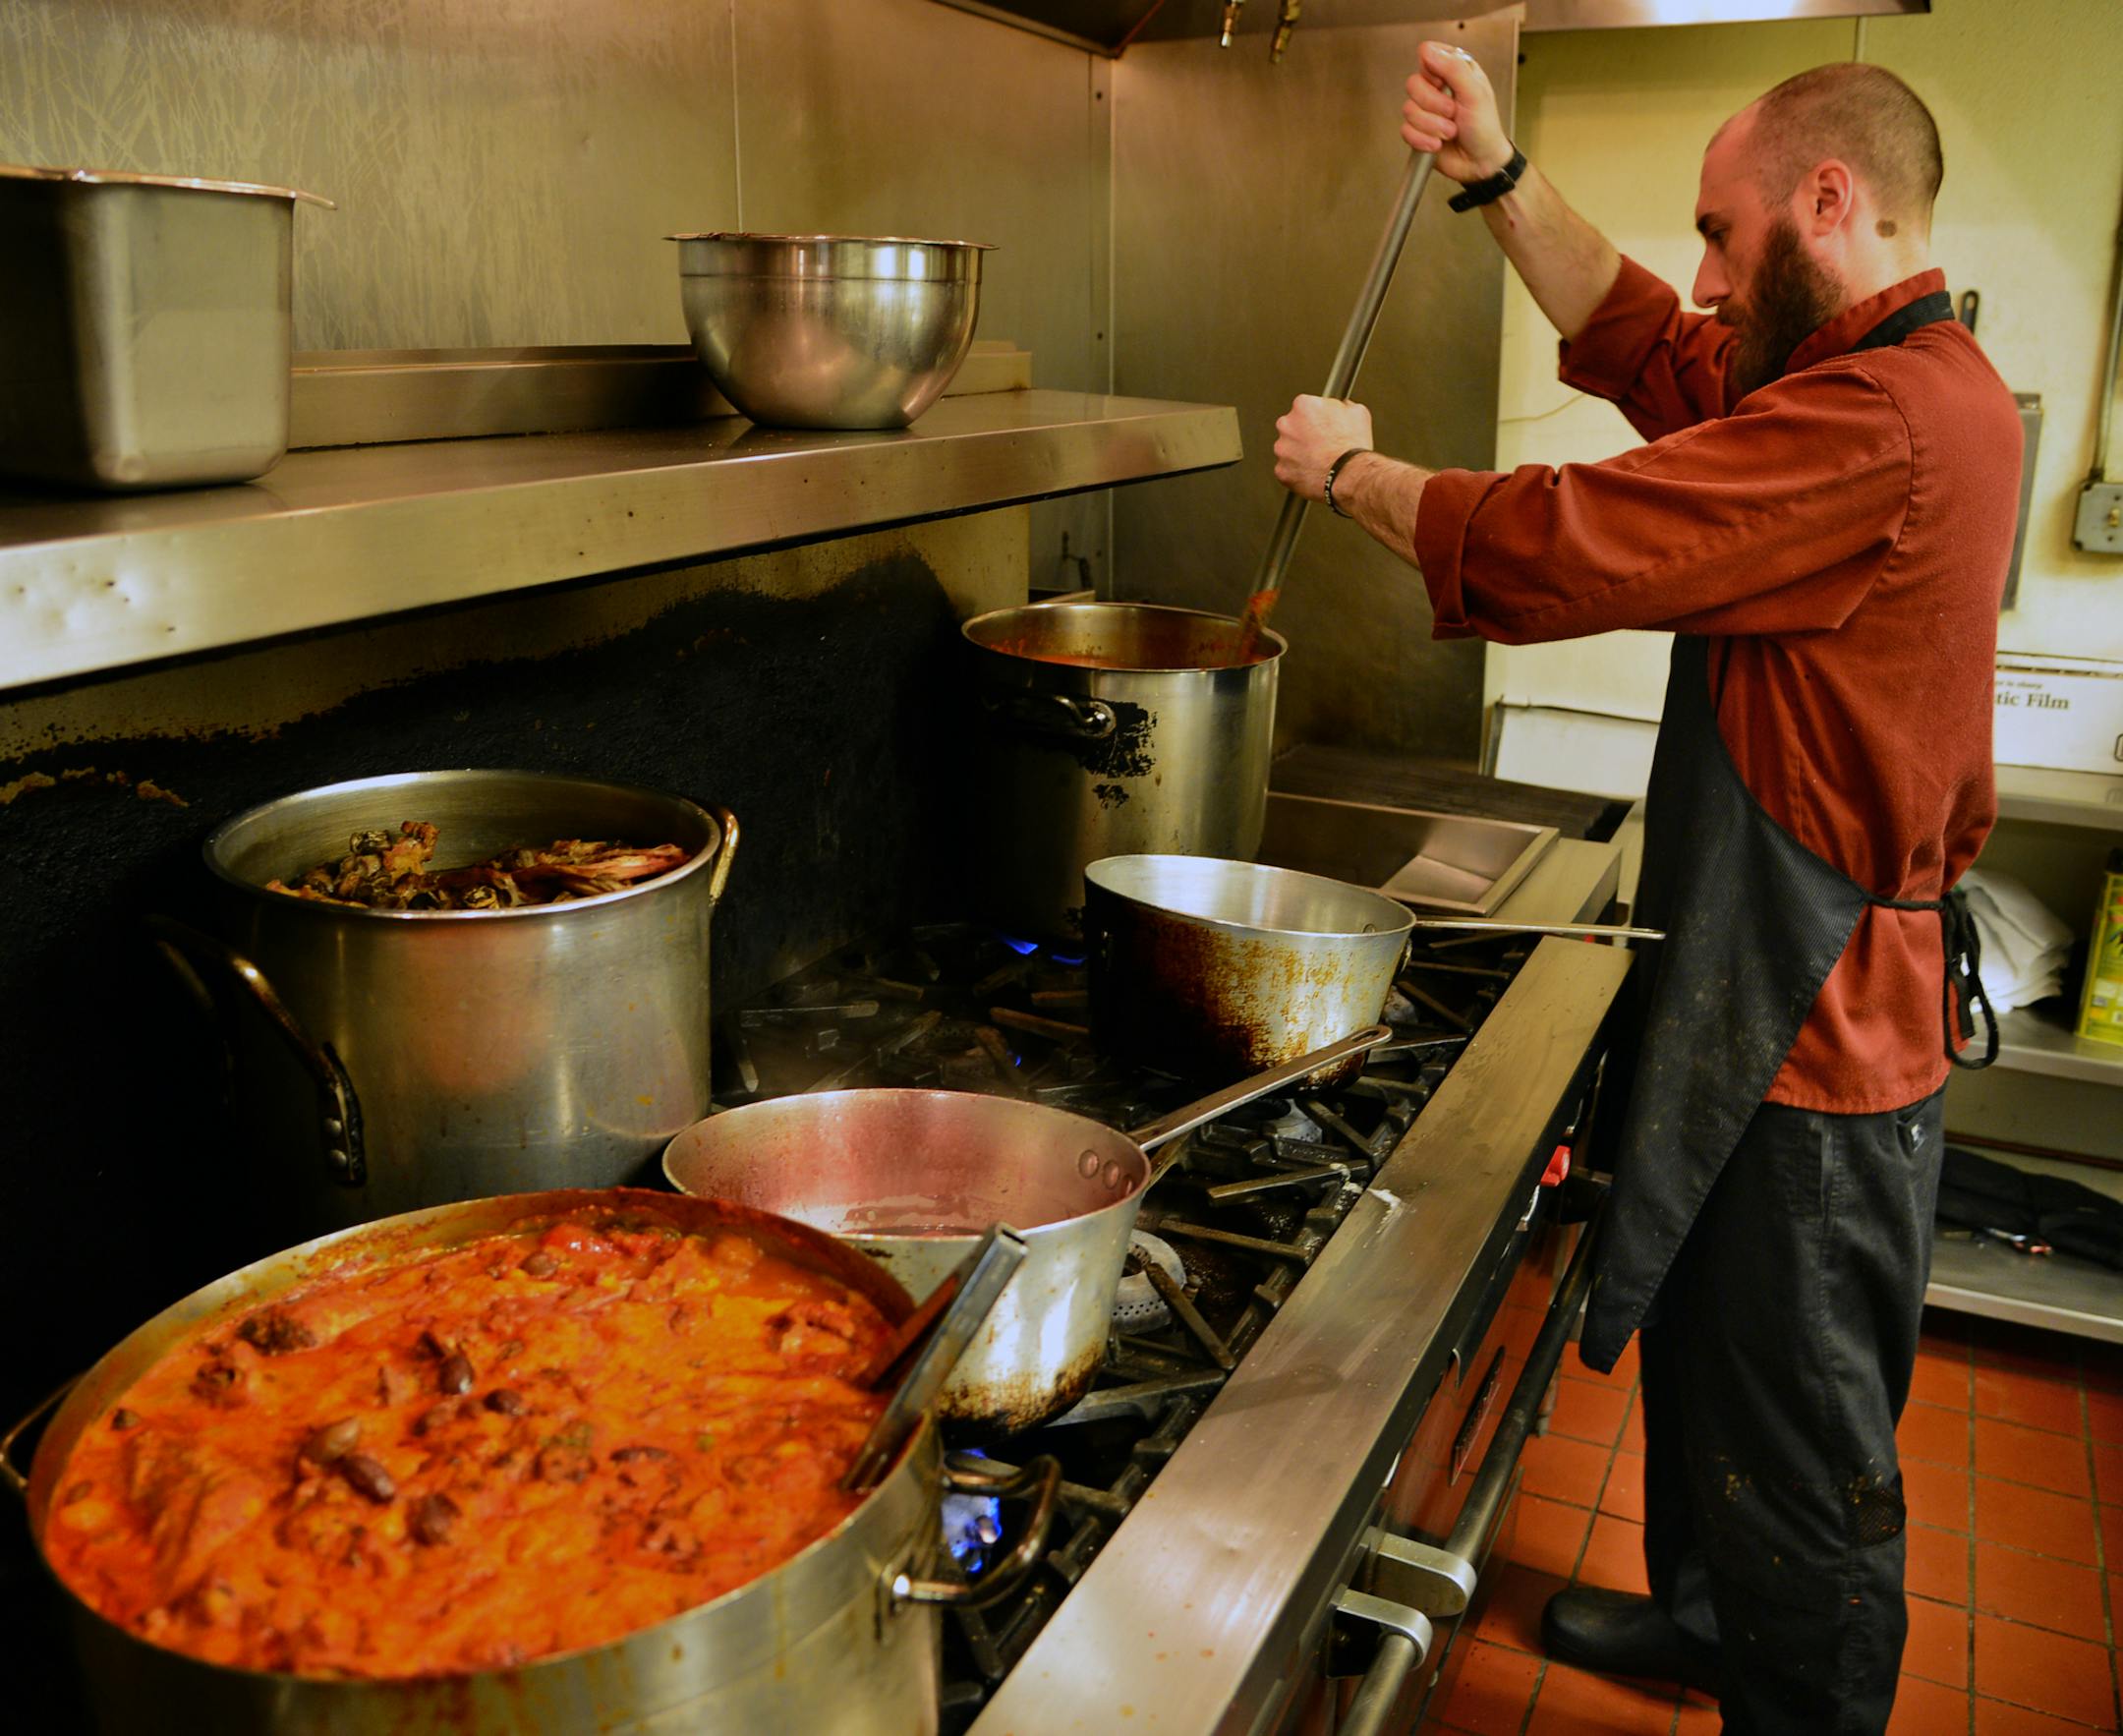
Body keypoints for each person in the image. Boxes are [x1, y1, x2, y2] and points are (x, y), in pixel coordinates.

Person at [1274, 46, 2022, 1736]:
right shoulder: (1835, 367)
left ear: (1830, 201)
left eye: (1720, 229)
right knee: (1710, 1346)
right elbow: (1643, 343)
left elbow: (1576, 541)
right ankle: (1705, 1616)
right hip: (1759, 986)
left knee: (1804, 1430)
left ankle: (1797, 1699)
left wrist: (1349, 478)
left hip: (1819, 1028)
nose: (1700, 272)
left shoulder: (1891, 420)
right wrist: (1492, 168)